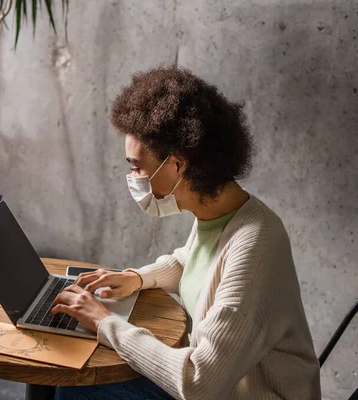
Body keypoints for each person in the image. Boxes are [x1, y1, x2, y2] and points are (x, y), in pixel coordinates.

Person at [51, 66, 321, 400]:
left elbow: (198, 382)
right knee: (73, 374)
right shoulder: (220, 213)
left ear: (178, 165)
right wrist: (134, 278)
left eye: (136, 166)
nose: (132, 175)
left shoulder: (256, 243)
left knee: (76, 388)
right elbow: (192, 262)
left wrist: (105, 322)